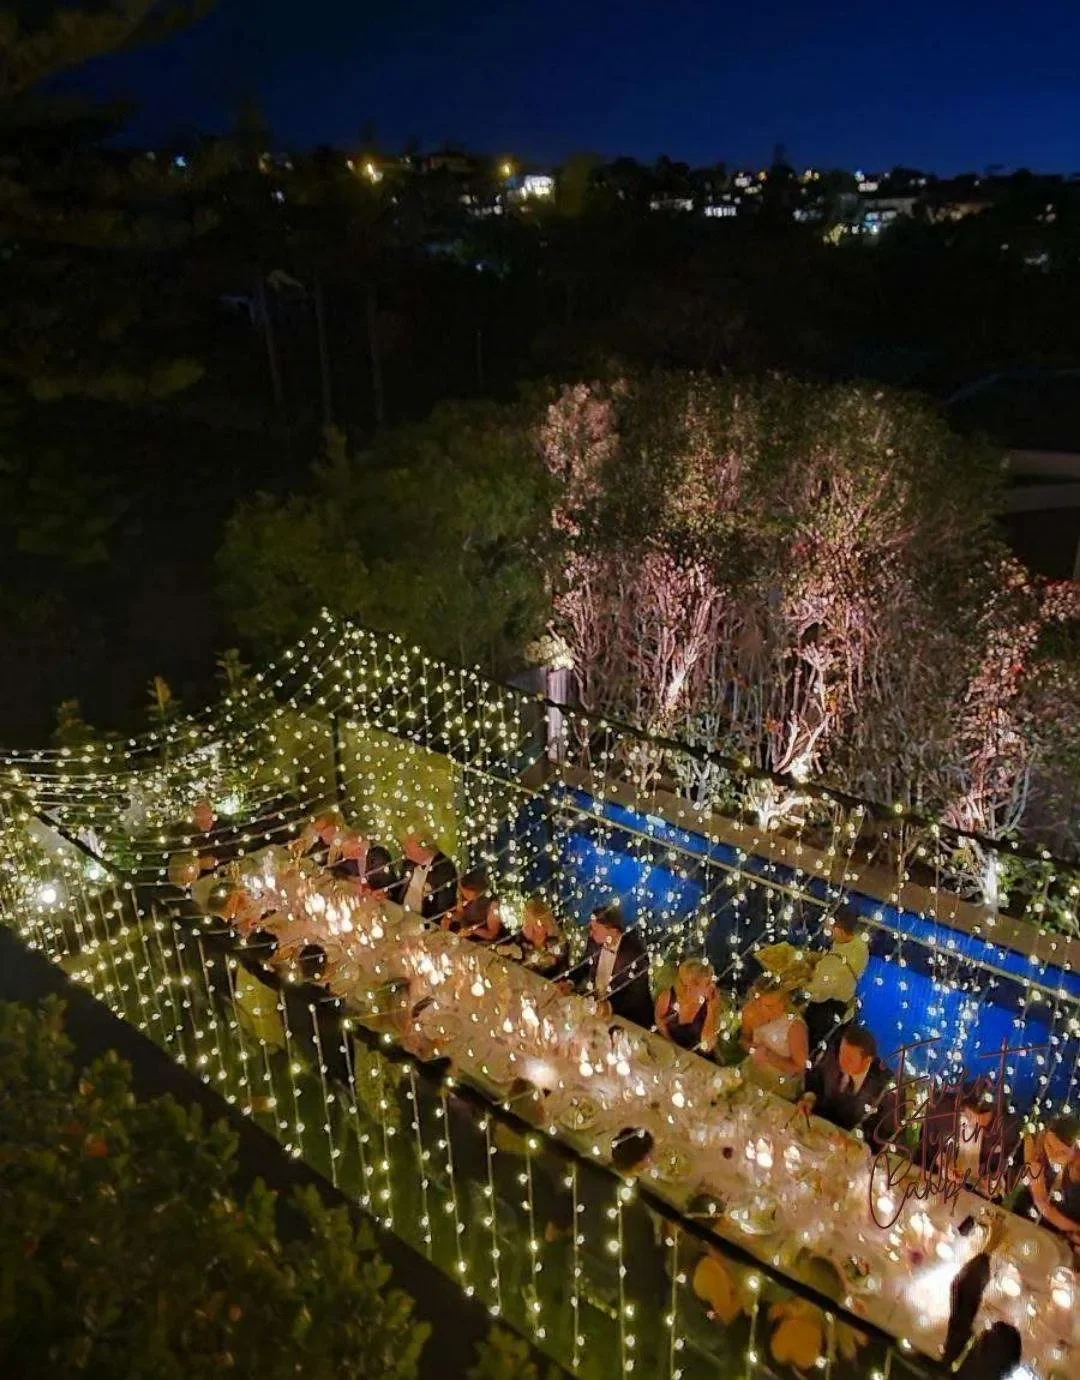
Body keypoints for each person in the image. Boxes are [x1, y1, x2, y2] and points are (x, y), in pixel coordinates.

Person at [797, 1025, 897, 1148]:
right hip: (814, 1131)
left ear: (867, 1061)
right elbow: (815, 1079)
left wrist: (852, 1140)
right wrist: (809, 1098)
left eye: (849, 1058)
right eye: (841, 1053)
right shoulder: (833, 1055)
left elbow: (883, 1134)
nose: (842, 1061)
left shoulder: (886, 1086)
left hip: (849, 1150)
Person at [918, 1082, 1021, 1199]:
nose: (977, 1121)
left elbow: (1008, 1167)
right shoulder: (940, 1112)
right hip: (941, 1184)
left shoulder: (1008, 1129)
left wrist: (994, 1179)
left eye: (984, 1117)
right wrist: (943, 1163)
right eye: (973, 1115)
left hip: (979, 1193)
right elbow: (927, 1149)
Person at [565, 902, 654, 1028]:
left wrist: (609, 1006)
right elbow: (584, 965)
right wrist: (569, 982)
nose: (591, 933)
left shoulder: (636, 955)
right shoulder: (595, 941)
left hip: (626, 1019)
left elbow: (636, 996)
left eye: (595, 929)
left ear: (613, 931)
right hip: (596, 1010)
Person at [802, 906, 869, 1051]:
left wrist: (802, 983)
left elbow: (816, 994)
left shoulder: (834, 965)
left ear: (839, 929)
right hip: (844, 1009)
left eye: (830, 926)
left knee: (809, 1046)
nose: (828, 929)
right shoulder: (860, 946)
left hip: (824, 1012)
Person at [740, 977, 809, 1101]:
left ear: (784, 1002)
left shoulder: (794, 1026)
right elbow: (744, 1039)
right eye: (763, 1005)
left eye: (772, 1006)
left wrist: (770, 1057)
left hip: (780, 1085)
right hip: (752, 1073)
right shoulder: (750, 1011)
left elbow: (800, 1068)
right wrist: (751, 1048)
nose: (767, 1011)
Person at [1013, 1115, 1080, 1242]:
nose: (1052, 1155)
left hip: (1057, 1237)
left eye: (1062, 1152)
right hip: (1026, 1220)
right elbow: (1041, 1203)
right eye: (1049, 1145)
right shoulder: (1039, 1156)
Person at [655, 958, 724, 1055]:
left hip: (699, 1059)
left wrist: (712, 1009)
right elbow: (660, 1020)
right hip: (669, 1051)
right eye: (708, 983)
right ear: (691, 986)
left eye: (712, 981)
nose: (713, 986)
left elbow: (707, 1046)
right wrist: (671, 1044)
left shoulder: (710, 1005)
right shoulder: (668, 997)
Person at [500, 897, 569, 978]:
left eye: (535, 925)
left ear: (546, 925)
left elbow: (562, 972)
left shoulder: (557, 945)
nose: (528, 929)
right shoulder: (520, 939)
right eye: (526, 923)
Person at [395, 835, 459, 922]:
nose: (404, 847)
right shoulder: (409, 861)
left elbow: (443, 910)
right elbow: (399, 889)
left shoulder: (445, 870)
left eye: (408, 845)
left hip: (423, 922)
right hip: (400, 914)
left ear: (422, 848)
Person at [443, 867, 506, 942]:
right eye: (463, 893)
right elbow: (460, 913)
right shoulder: (463, 894)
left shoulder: (493, 906)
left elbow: (491, 934)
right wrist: (449, 917)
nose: (466, 899)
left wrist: (472, 930)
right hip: (462, 936)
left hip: (483, 941)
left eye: (469, 895)